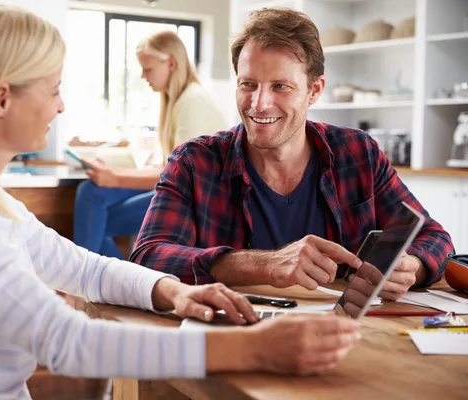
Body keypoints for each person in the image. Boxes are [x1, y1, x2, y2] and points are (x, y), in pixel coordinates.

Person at [0, 5, 361, 399]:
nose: (60, 106)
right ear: (1, 99)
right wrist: (249, 349)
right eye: (54, 89)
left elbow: (90, 270)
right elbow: (67, 341)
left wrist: (175, 292)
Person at [130, 8, 454, 300]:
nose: (259, 104)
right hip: (236, 336)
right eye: (248, 85)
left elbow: (434, 238)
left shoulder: (359, 154)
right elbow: (148, 258)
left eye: (280, 86)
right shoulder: (194, 162)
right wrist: (264, 265)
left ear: (314, 90)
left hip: (347, 335)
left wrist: (412, 266)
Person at [73, 30, 227, 259]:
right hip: (182, 189)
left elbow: (180, 176)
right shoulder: (177, 101)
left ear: (172, 64)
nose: (144, 76)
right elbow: (172, 169)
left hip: (194, 200)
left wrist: (115, 177)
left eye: (148, 68)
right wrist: (112, 173)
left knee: (98, 217)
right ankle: (112, 285)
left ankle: (101, 285)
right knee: (92, 192)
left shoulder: (192, 101)